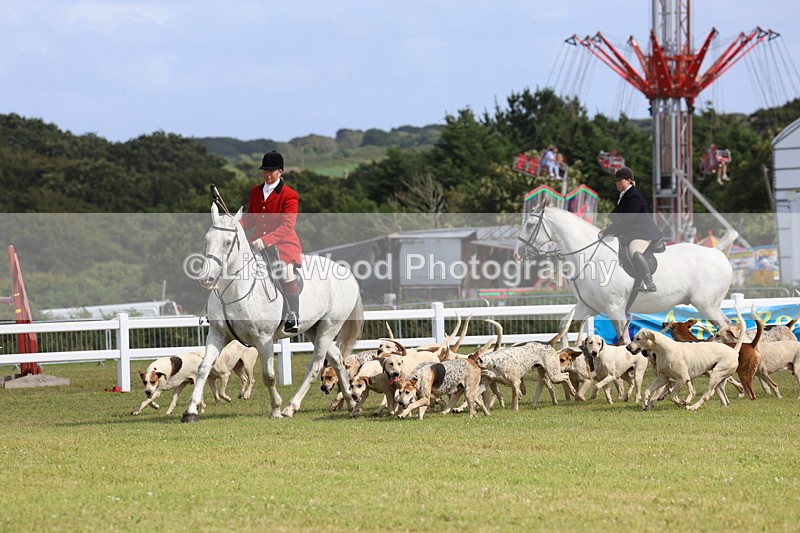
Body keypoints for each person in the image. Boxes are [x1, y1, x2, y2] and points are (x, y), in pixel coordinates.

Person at [242, 151, 303, 333]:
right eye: (265, 171)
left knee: (285, 272)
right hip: (257, 241)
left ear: (280, 172)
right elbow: (251, 219)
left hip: (283, 243)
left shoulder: (289, 195)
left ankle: (293, 315)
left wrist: (266, 241)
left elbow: (287, 225)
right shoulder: (255, 191)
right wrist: (232, 226)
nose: (268, 175)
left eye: (272, 171)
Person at [598, 166, 663, 292]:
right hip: (633, 233)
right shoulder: (623, 195)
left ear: (629, 180)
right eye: (616, 181)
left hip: (644, 233)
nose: (617, 183)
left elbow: (627, 219)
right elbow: (618, 214)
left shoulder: (634, 196)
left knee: (634, 251)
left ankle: (648, 282)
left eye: (620, 180)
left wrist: (609, 230)